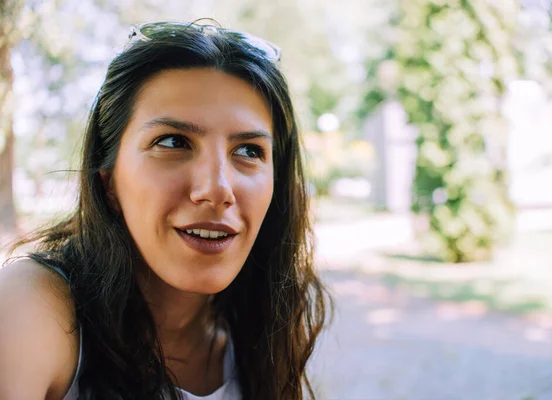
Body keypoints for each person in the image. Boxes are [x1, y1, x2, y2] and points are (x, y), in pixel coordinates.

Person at [0, 20, 330, 400]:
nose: (217, 190)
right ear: (108, 180)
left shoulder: (265, 335)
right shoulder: (34, 307)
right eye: (173, 142)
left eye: (248, 151)